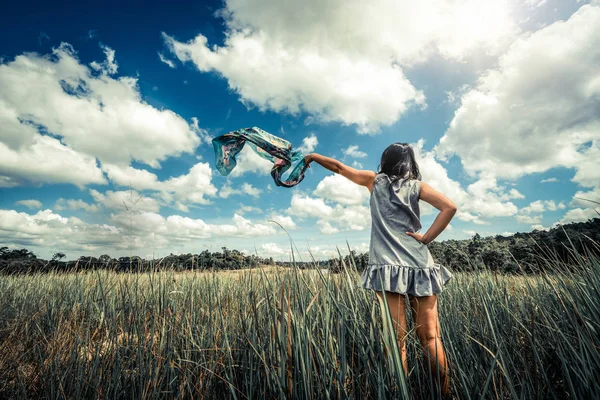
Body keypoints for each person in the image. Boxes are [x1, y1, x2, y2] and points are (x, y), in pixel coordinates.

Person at [304, 143, 456, 396]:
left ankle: (401, 394)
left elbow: (339, 167)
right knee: (431, 338)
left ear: (386, 160)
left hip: (387, 267)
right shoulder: (418, 187)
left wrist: (312, 156)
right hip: (420, 264)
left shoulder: (374, 181)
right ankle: (445, 394)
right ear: (410, 162)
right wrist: (426, 238)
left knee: (397, 342)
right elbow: (449, 207)